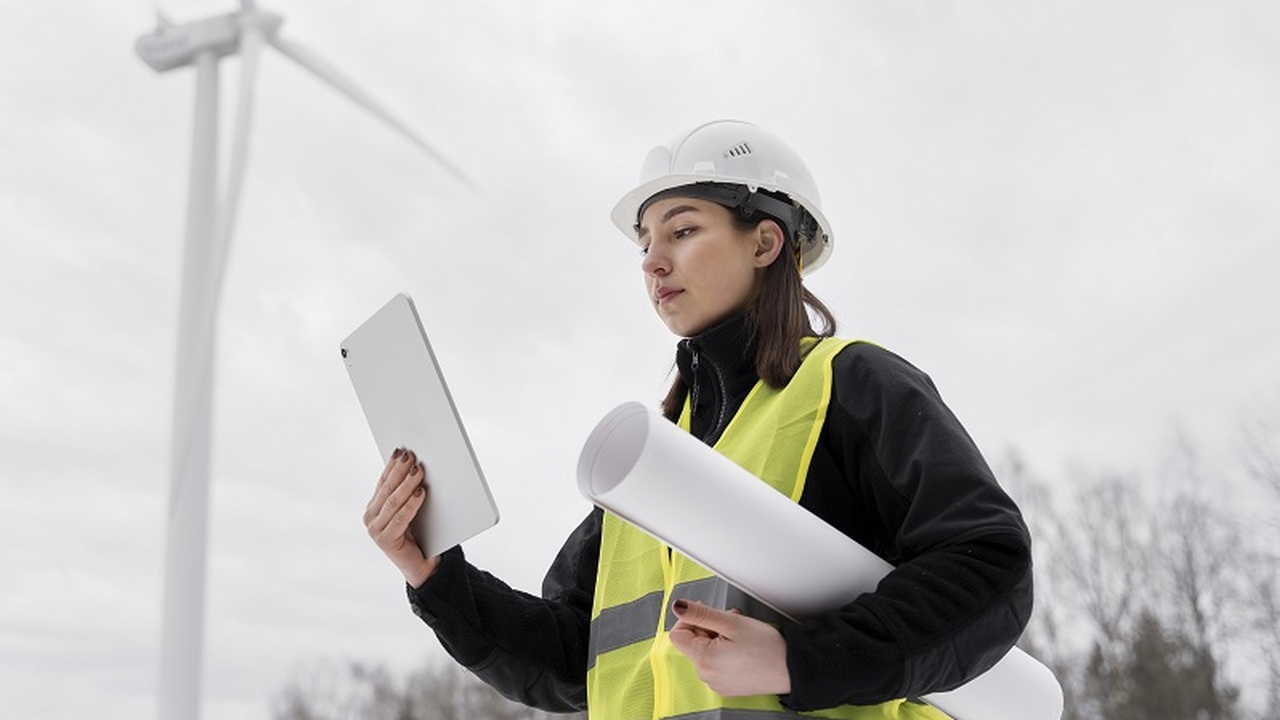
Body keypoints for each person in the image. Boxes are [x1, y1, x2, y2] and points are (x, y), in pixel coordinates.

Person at [363, 119, 1033, 719]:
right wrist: (434, 575)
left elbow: (989, 568)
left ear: (766, 242)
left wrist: (799, 660)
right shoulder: (651, 461)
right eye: (646, 243)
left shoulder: (852, 385)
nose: (653, 262)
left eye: (683, 231)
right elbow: (574, 661)